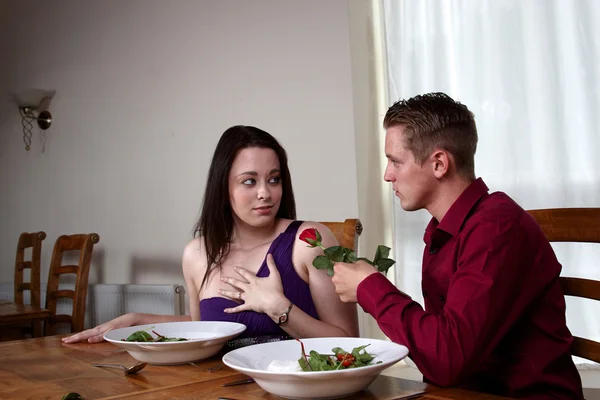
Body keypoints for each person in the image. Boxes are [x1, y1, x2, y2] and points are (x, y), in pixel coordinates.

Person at [331, 93, 584, 399]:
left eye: (395, 161)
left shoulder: (497, 228)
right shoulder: (444, 231)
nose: (388, 175)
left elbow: (447, 359)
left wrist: (370, 287)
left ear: (439, 163)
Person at [64, 125, 358, 345]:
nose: (265, 193)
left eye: (274, 179)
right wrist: (136, 321)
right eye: (249, 181)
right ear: (223, 187)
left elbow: (349, 341)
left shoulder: (308, 240)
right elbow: (202, 328)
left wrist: (277, 307)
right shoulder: (196, 254)